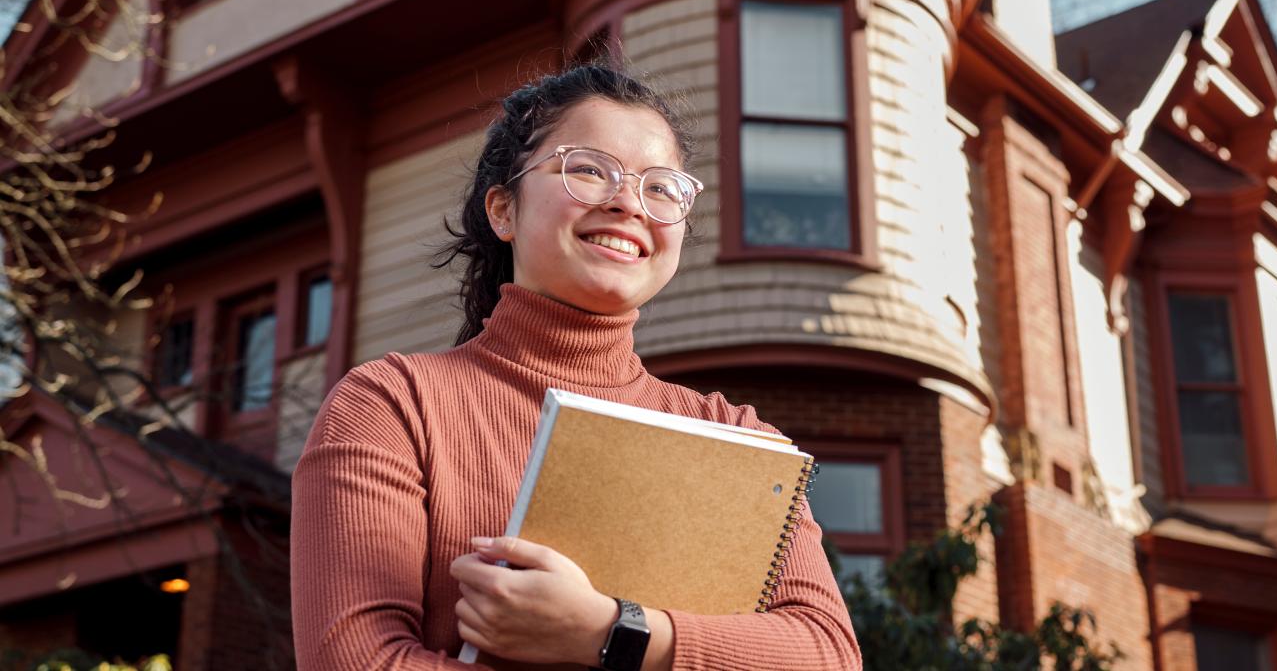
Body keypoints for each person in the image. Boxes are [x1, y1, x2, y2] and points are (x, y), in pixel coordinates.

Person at [289, 64, 861, 670]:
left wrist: (609, 631)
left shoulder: (740, 437)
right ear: (503, 211)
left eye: (661, 187)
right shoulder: (393, 405)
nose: (627, 203)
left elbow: (826, 653)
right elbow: (355, 660)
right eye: (589, 170)